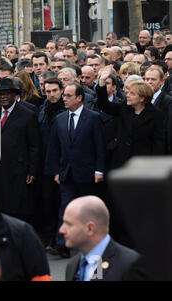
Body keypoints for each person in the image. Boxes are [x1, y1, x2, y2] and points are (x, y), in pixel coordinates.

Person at [46, 83, 106, 258]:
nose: (64, 98)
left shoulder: (93, 118)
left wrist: (99, 170)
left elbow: (99, 146)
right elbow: (54, 148)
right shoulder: (60, 119)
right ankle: (62, 244)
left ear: (79, 98)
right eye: (64, 95)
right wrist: (56, 171)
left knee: (89, 212)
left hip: (88, 174)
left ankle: (94, 244)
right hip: (67, 174)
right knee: (65, 209)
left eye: (68, 96)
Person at [0, 78, 41, 223]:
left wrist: (32, 170)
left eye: (7, 94)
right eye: (0, 94)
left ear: (15, 95)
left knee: (17, 208)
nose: (3, 97)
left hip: (18, 170)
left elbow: (34, 146)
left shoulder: (28, 115)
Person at [96, 68, 165, 170]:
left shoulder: (156, 115)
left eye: (132, 94)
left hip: (143, 164)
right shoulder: (124, 108)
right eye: (127, 93)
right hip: (121, 162)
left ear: (142, 98)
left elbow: (158, 143)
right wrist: (101, 83)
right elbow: (104, 105)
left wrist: (155, 167)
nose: (127, 96)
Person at [61, 196, 140, 281]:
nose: (61, 230)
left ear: (90, 229)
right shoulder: (73, 265)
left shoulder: (130, 265)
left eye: (69, 224)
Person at [38, 78, 66, 249]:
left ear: (61, 90)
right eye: (48, 91)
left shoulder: (65, 111)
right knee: (47, 203)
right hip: (45, 164)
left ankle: (61, 240)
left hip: (62, 165)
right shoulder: (42, 109)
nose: (51, 94)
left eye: (55, 90)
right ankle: (50, 238)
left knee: (61, 204)